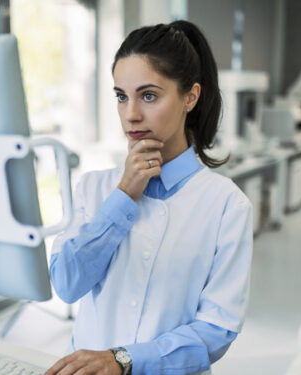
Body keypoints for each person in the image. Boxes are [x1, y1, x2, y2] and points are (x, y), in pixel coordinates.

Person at [45, 20, 253, 375]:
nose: (131, 114)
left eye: (149, 95)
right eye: (121, 96)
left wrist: (122, 360)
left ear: (191, 96)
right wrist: (123, 196)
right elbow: (67, 285)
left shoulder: (226, 205)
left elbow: (217, 329)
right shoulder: (94, 188)